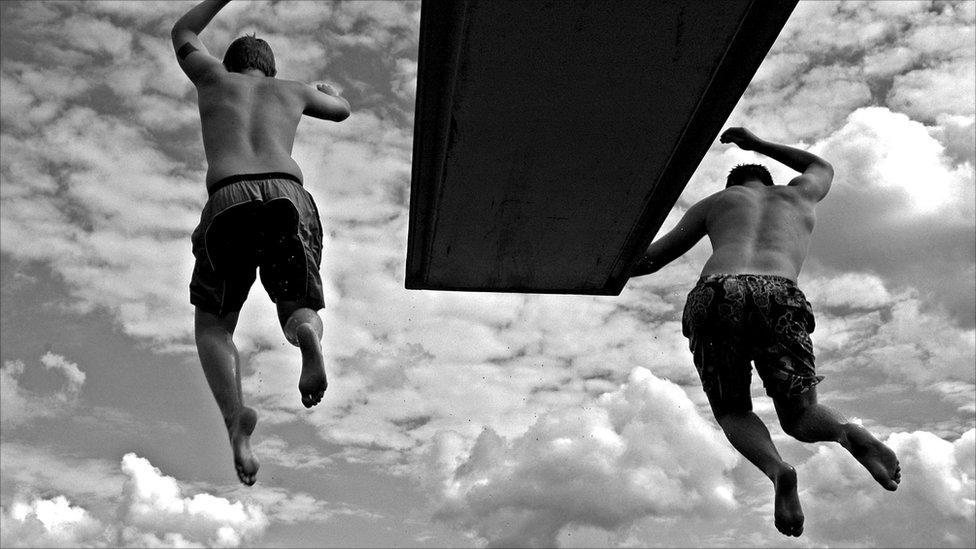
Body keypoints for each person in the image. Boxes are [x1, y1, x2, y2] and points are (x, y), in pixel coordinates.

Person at [630, 127, 901, 537]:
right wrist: (755, 142)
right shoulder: (798, 195)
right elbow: (820, 165)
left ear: (732, 185)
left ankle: (778, 470)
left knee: (733, 410)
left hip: (717, 293)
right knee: (802, 414)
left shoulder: (716, 203)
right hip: (779, 294)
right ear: (769, 182)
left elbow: (650, 261)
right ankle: (849, 432)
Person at [171, 0, 350, 486]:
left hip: (228, 199)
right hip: (286, 196)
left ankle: (235, 422)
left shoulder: (211, 79)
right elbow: (341, 111)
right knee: (297, 302)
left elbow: (183, 29)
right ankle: (304, 334)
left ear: (231, 64)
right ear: (270, 69)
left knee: (214, 327)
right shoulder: (290, 91)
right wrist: (327, 92)